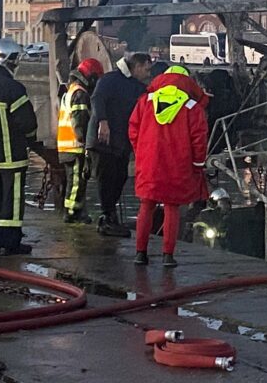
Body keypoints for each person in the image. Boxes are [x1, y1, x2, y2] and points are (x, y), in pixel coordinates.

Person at [129, 65, 209, 267]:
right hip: (178, 163)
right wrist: (197, 165)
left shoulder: (146, 102)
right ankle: (168, 255)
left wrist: (142, 153)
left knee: (146, 205)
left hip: (149, 162)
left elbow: (133, 129)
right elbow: (199, 140)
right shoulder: (192, 107)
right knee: (172, 207)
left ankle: (140, 253)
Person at [0, 38, 38, 256]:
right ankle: (9, 243)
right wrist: (31, 139)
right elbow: (27, 123)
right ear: (10, 60)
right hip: (12, 154)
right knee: (12, 199)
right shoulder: (13, 87)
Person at [86, 52, 152, 237]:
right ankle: (107, 218)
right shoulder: (110, 79)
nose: (148, 74)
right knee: (107, 179)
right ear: (137, 66)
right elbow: (97, 99)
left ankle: (110, 216)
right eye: (146, 69)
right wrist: (103, 121)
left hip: (121, 142)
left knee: (120, 177)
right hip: (103, 140)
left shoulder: (138, 87)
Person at [57, 58, 104, 224]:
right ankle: (72, 212)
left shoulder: (71, 90)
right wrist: (86, 142)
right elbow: (80, 122)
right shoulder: (80, 94)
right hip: (74, 146)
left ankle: (74, 209)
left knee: (75, 180)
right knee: (77, 181)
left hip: (66, 145)